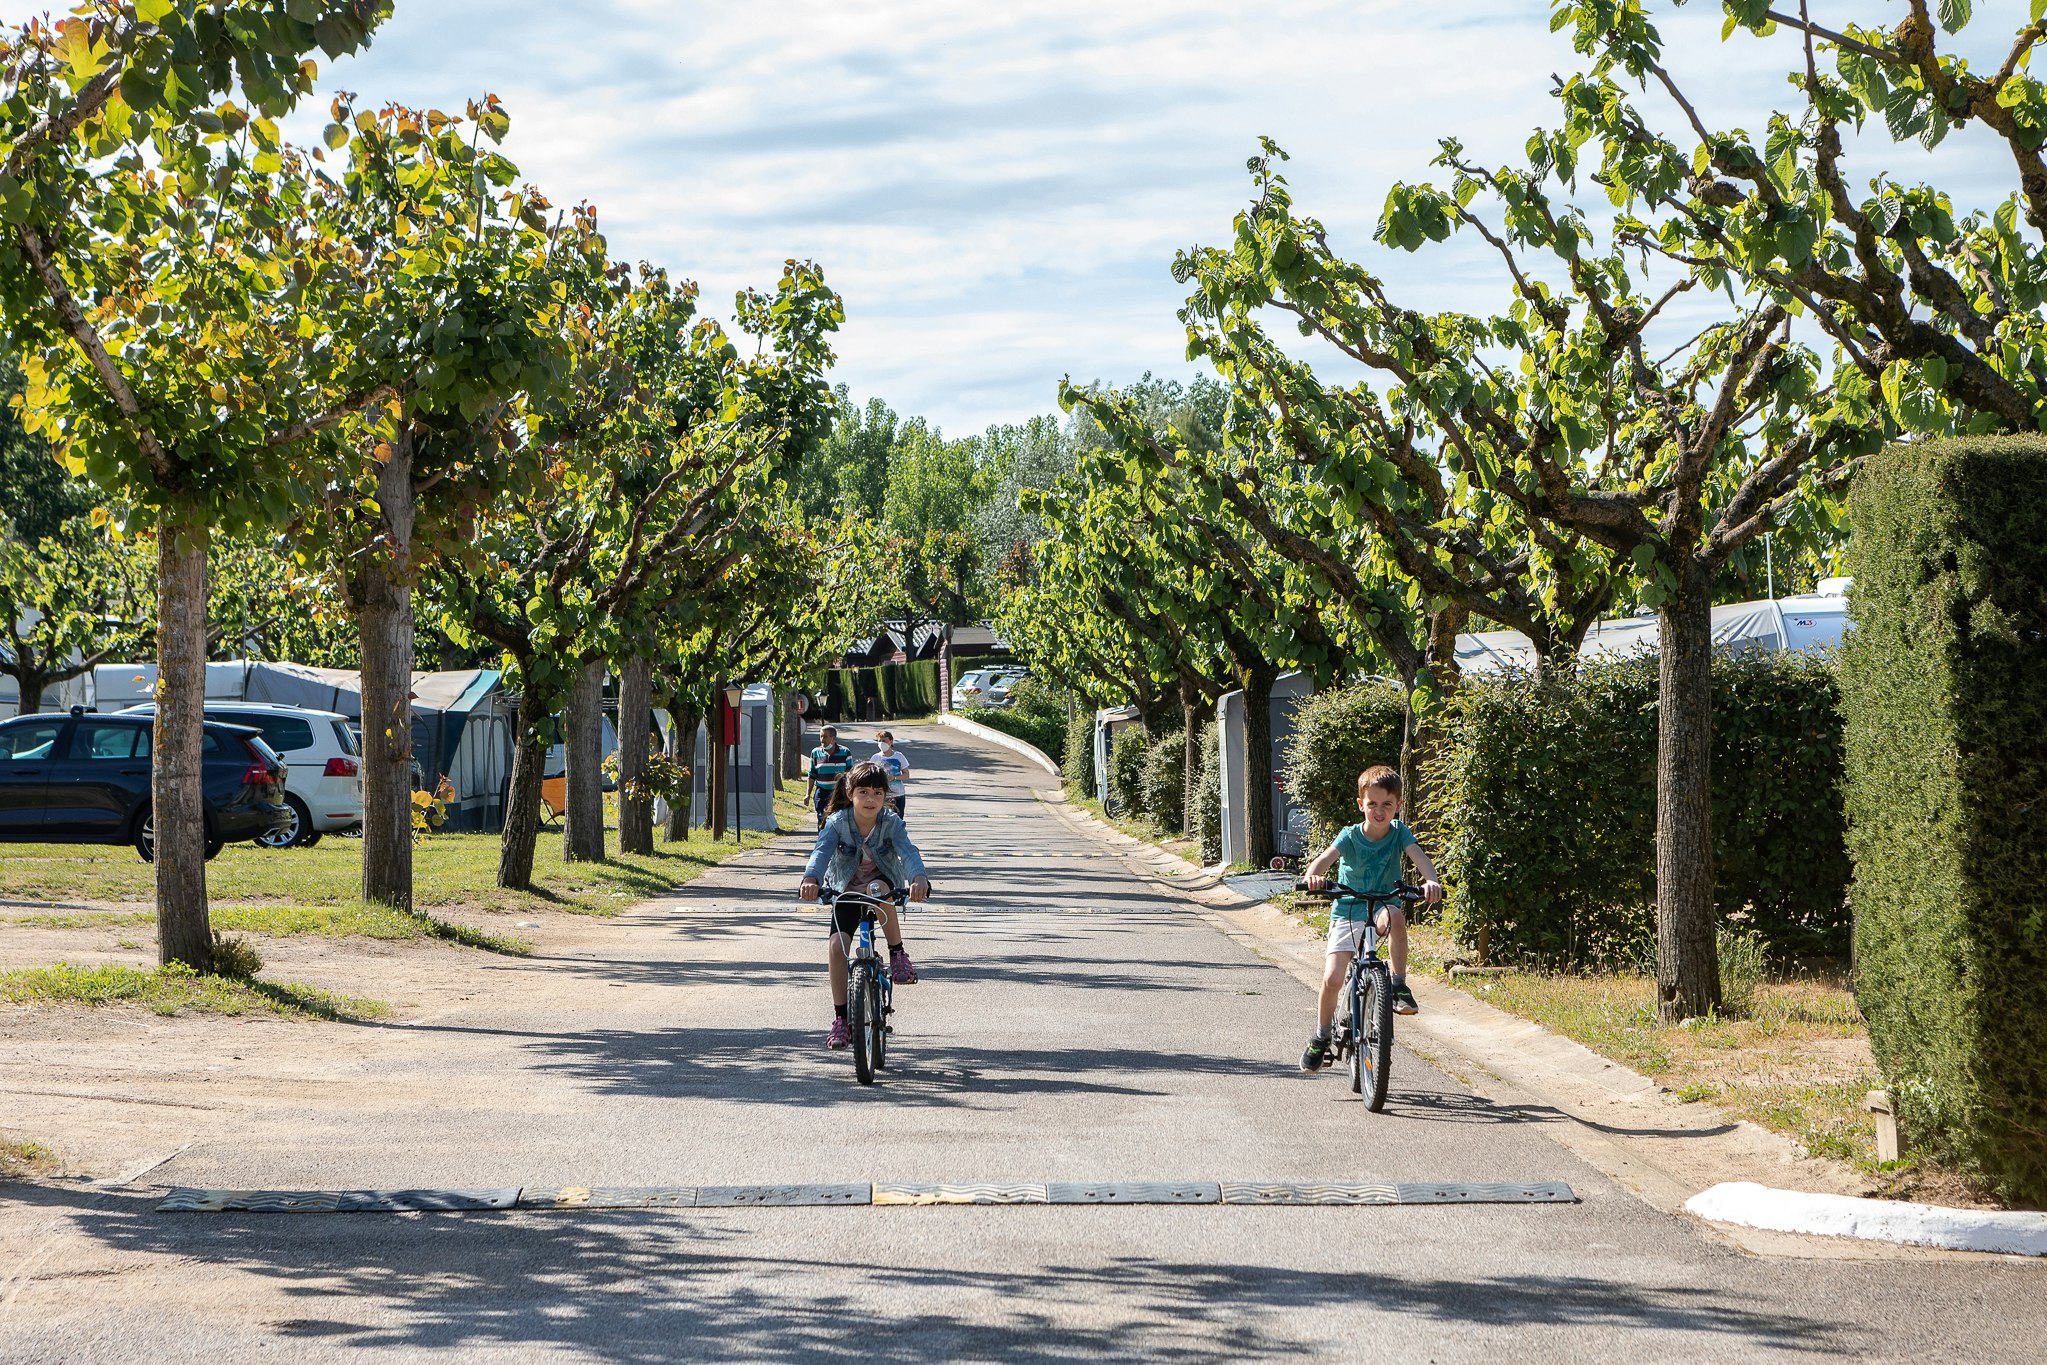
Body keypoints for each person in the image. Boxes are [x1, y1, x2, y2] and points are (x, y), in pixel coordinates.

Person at [1299, 765, 1444, 1072]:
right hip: (1348, 909)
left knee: (1396, 915)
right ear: (1360, 804)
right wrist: (1313, 877)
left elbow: (1419, 857)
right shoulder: (1350, 835)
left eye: (1387, 804)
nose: (1379, 811)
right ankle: (1322, 1035)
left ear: (1398, 805)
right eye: (1372, 804)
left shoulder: (1399, 833)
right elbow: (1323, 861)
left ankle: (1398, 985)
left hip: (1381, 907)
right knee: (1332, 978)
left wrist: (1431, 881)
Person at [799, 761, 932, 1049]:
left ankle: (897, 953)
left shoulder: (891, 822)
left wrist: (918, 878)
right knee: (837, 947)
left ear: (885, 796)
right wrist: (811, 879)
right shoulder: (837, 823)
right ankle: (841, 1019)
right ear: (850, 793)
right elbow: (821, 853)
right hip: (845, 889)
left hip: (881, 883)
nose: (870, 799)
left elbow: (908, 852)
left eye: (877, 793)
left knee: (879, 890)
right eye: (863, 792)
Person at [805, 725, 854, 830]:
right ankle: (823, 838)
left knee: (839, 820)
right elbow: (812, 774)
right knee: (822, 818)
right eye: (821, 736)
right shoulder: (815, 753)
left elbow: (850, 774)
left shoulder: (845, 752)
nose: (822, 740)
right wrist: (807, 794)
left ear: (833, 738)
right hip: (822, 792)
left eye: (825, 737)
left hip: (839, 793)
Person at [872, 730, 911, 817]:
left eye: (884, 741)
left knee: (898, 819)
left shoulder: (899, 756)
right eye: (879, 741)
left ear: (891, 741)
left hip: (898, 795)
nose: (882, 743)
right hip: (881, 796)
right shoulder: (875, 758)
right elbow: (871, 776)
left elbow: (906, 775)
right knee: (881, 820)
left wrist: (894, 778)